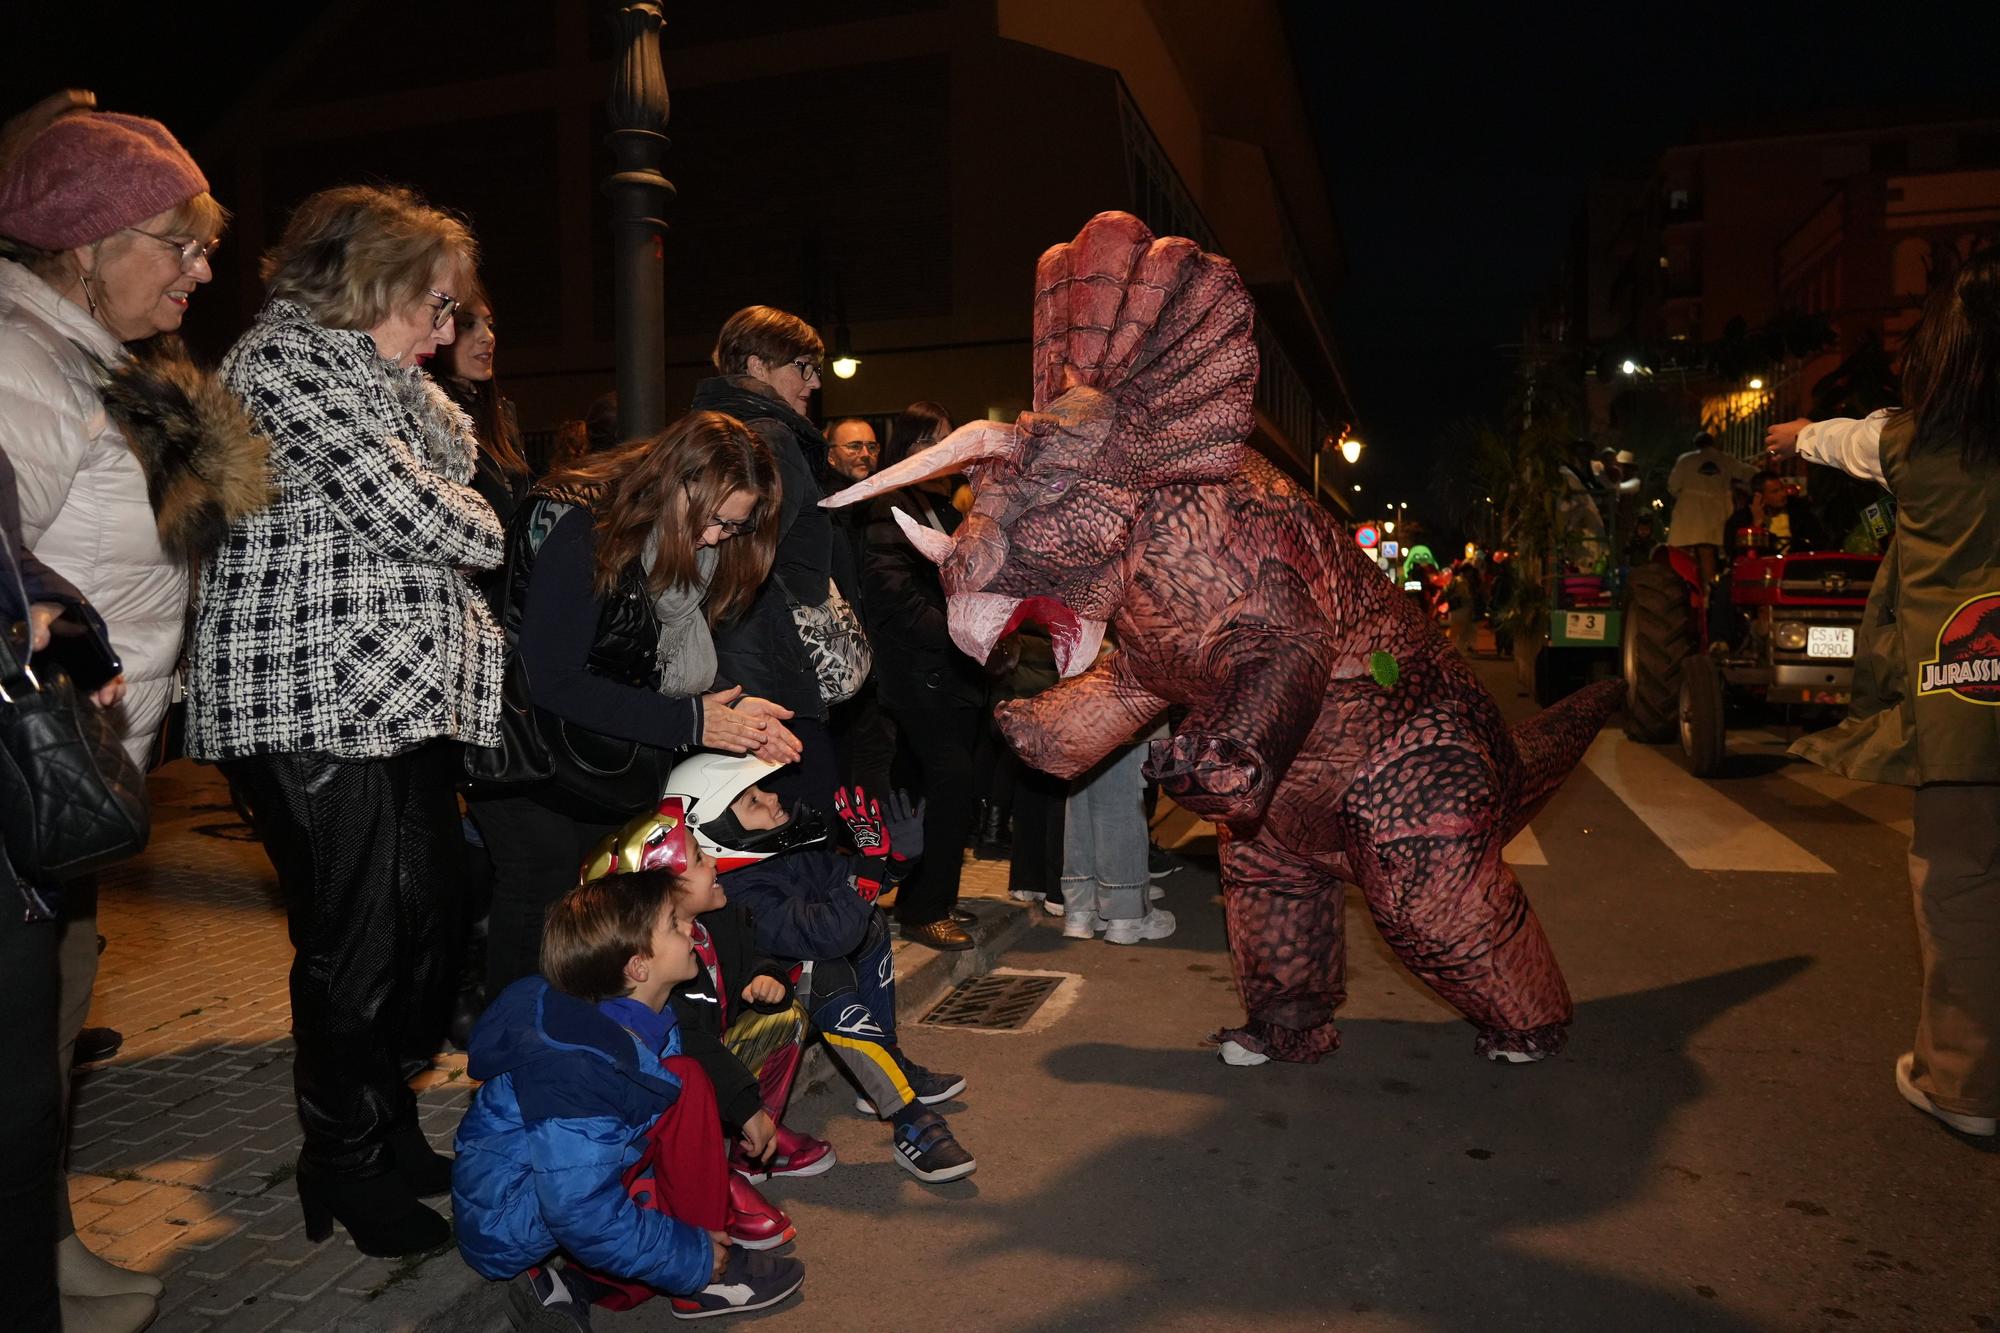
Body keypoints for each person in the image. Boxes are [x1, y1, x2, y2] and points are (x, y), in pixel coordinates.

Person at [186, 183, 502, 1258]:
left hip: (391, 697)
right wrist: (466, 513)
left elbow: (452, 477)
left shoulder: (378, 378)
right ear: (373, 282)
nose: (448, 327)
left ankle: (388, 1123)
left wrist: (449, 485)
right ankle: (343, 1157)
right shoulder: (283, 363)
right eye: (437, 302)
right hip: (307, 698)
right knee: (356, 946)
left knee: (430, 916)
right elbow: (415, 509)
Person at [0, 87, 247, 1329]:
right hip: (23, 774)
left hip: (75, 780)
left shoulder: (95, 363)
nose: (203, 267)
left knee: (44, 1049)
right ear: (88, 244)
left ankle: (46, 1244)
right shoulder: (15, 358)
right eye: (180, 241)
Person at [1769, 245, 2000, 1142]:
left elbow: (1852, 437)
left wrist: (1795, 436)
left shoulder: (1918, 444)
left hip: (1968, 700)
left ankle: (1964, 1081)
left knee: (1964, 879)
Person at [475, 409, 801, 1001]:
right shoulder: (581, 525)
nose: (713, 540)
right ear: (680, 479)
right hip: (525, 753)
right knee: (541, 905)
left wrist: (731, 709)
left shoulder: (677, 539)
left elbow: (647, 660)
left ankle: (586, 1050)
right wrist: (695, 720)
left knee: (597, 921)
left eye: (732, 528)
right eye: (712, 520)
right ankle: (514, 1063)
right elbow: (554, 679)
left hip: (597, 758)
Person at [453, 848, 806, 1324]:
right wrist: (691, 1256)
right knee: (653, 1221)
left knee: (685, 1080)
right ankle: (704, 1276)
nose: (689, 931)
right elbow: (579, 1211)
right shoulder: (577, 1067)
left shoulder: (636, 1014)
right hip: (513, 1218)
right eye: (675, 925)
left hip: (568, 1181)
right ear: (639, 967)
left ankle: (571, 1285)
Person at [667, 753, 979, 1181]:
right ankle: (908, 1115)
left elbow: (848, 887)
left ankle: (886, 1067)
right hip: (720, 1058)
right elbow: (828, 934)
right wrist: (870, 868)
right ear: (716, 831)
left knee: (865, 921)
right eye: (753, 801)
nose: (773, 796)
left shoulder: (776, 859)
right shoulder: (737, 890)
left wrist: (896, 860)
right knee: (824, 967)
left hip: (767, 1019)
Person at [689, 307, 841, 813]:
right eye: (804, 366)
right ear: (757, 366)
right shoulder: (767, 439)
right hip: (767, 665)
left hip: (736, 661)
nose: (815, 382)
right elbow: (743, 561)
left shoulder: (719, 431)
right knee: (790, 820)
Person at [860, 402, 986, 950]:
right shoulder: (888, 505)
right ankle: (925, 906)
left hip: (949, 669)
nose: (952, 450)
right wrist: (962, 633)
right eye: (941, 440)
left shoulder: (939, 506)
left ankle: (920, 894)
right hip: (917, 670)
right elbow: (895, 599)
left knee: (922, 783)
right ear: (914, 450)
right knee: (950, 778)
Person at [431, 273, 532, 613]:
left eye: (489, 325)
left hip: (513, 598)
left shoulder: (501, 414)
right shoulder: (428, 416)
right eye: (469, 326)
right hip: (470, 602)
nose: (487, 338)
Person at [1667, 431, 1759, 590]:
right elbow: (1750, 473)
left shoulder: (1685, 460)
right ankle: (1707, 593)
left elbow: (1673, 487)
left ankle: (1679, 589)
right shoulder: (1725, 460)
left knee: (1681, 552)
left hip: (1687, 512)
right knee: (1707, 551)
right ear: (1715, 443)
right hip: (1714, 512)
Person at [1724, 468, 1826, 555]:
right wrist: (1756, 524)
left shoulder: (1800, 513)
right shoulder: (1741, 519)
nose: (1783, 494)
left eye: (1782, 488)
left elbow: (1819, 542)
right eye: (1775, 492)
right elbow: (1736, 553)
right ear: (1759, 496)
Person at [823, 416, 878, 484]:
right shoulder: (817, 492)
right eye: (855, 446)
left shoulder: (885, 488)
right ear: (831, 456)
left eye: (872, 447)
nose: (866, 454)